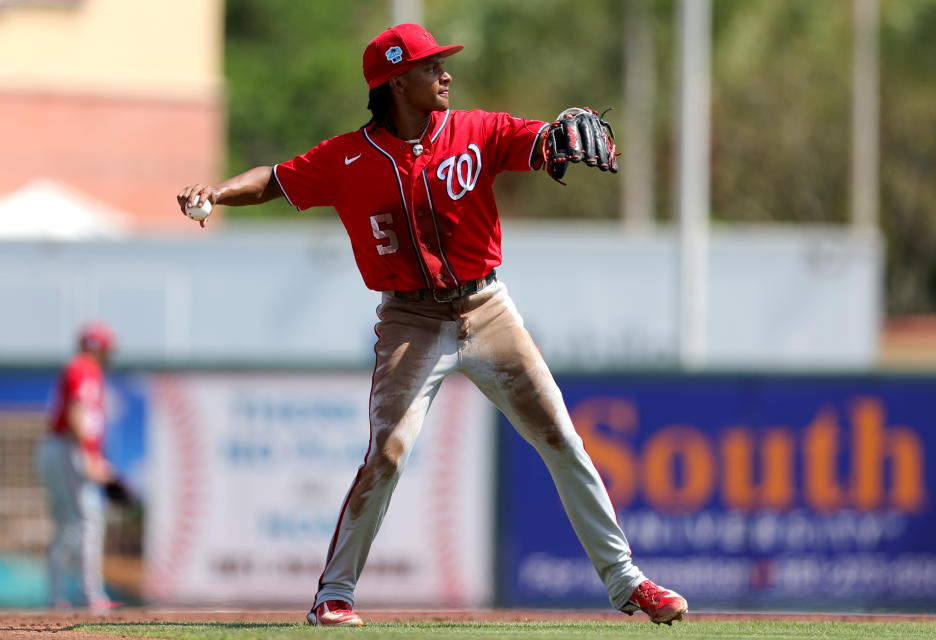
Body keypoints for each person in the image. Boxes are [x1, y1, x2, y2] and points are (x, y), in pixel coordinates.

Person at [176, 23, 688, 627]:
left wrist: (556, 140)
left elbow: (536, 139)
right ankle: (332, 596)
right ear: (396, 81)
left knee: (561, 437)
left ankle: (628, 582)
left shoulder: (476, 130)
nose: (444, 73)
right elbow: (275, 180)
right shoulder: (346, 158)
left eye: (441, 64)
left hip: (487, 307)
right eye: (428, 67)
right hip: (410, 318)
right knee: (387, 454)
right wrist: (216, 191)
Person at [34, 321, 120, 612]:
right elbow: (76, 411)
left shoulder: (82, 368)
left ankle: (58, 596)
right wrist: (90, 457)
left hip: (63, 448)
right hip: (68, 448)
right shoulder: (84, 368)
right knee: (85, 521)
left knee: (71, 525)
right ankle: (89, 595)